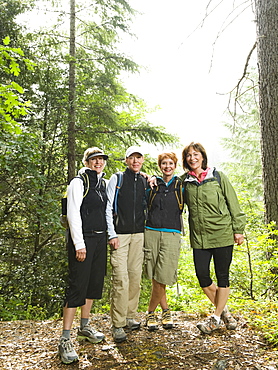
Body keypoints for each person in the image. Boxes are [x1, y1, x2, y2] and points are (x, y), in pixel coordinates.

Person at [182, 142, 246, 334]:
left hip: (222, 234)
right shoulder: (184, 181)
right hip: (200, 238)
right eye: (189, 155)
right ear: (185, 159)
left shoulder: (217, 176)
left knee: (222, 276)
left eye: (196, 154)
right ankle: (224, 311)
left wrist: (238, 229)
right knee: (202, 276)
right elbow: (167, 188)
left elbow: (233, 202)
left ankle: (216, 317)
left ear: (202, 156)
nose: (192, 158)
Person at [58, 147, 108, 364]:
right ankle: (65, 339)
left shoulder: (101, 183)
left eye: (101, 159)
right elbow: (73, 214)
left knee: (93, 284)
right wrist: (79, 244)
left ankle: (84, 327)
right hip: (83, 240)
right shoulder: (78, 182)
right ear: (87, 161)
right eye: (94, 159)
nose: (98, 163)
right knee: (77, 285)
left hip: (100, 240)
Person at [106, 146, 147, 343]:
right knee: (120, 279)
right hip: (119, 236)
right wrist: (111, 233)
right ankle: (118, 324)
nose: (135, 161)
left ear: (143, 160)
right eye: (132, 158)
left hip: (139, 234)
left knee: (134, 277)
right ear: (126, 160)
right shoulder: (117, 179)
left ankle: (130, 316)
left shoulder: (144, 180)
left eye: (138, 158)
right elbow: (108, 207)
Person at [144, 152, 184, 331]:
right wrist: (148, 177)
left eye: (170, 163)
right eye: (164, 164)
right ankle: (166, 311)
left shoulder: (181, 185)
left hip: (172, 233)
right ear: (160, 166)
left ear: (175, 166)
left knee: (164, 275)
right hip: (151, 231)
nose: (167, 167)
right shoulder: (152, 185)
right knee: (155, 275)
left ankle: (151, 312)